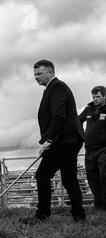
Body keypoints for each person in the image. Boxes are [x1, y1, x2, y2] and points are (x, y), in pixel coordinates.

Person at [22, 59, 85, 224]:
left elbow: (58, 116)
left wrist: (49, 141)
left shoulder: (57, 87)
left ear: (50, 72)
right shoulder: (50, 88)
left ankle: (42, 215)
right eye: (34, 74)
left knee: (42, 175)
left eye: (39, 73)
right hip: (68, 140)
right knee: (69, 178)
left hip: (63, 140)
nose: (36, 77)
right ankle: (79, 216)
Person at [79, 86, 106, 211]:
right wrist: (82, 136)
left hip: (103, 149)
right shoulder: (89, 109)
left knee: (103, 176)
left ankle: (104, 205)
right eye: (94, 97)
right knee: (92, 177)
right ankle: (98, 204)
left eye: (98, 97)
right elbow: (77, 121)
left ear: (104, 96)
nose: (95, 99)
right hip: (89, 149)